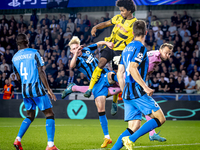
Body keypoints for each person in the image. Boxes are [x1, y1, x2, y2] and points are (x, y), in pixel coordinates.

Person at [112, 20, 166, 150]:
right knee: (161, 118)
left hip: (127, 93)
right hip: (137, 91)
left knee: (134, 126)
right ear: (146, 33)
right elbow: (132, 68)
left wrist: (125, 90)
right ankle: (130, 140)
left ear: (132, 32)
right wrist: (145, 87)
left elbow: (120, 73)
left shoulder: (125, 49)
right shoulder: (141, 48)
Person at [62, 36, 116, 148]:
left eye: (78, 47)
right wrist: (76, 54)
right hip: (95, 84)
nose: (77, 49)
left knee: (112, 76)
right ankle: (107, 137)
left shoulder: (86, 49)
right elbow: (71, 66)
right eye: (74, 48)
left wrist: (107, 42)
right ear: (71, 51)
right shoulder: (77, 60)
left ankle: (128, 83)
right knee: (101, 110)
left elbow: (98, 43)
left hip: (104, 74)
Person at [12, 33, 58, 150]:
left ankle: (18, 139)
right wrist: (48, 89)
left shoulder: (14, 58)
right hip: (36, 88)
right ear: (27, 41)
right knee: (49, 114)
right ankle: (50, 146)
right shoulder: (34, 52)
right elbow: (41, 71)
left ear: (17, 44)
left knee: (30, 115)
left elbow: (17, 77)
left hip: (25, 90)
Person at [85, 0, 137, 98]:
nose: (121, 13)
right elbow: (106, 24)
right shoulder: (118, 17)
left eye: (123, 11)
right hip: (110, 46)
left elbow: (138, 38)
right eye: (120, 10)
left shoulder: (135, 23)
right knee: (101, 63)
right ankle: (90, 89)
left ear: (130, 10)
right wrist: (95, 27)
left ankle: (115, 101)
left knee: (118, 75)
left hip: (120, 52)